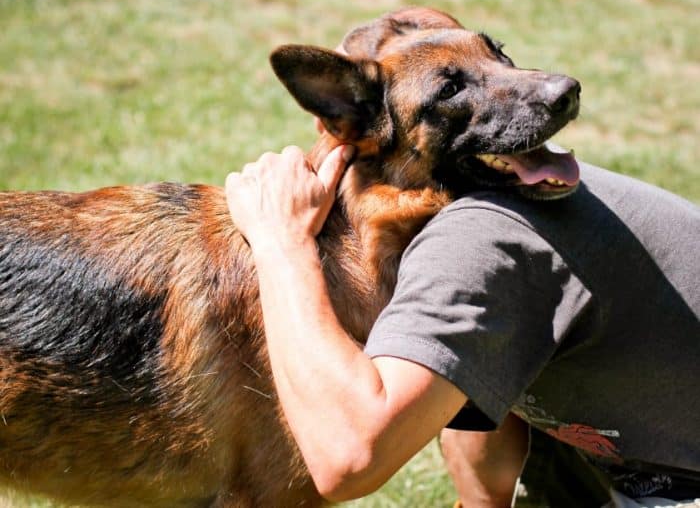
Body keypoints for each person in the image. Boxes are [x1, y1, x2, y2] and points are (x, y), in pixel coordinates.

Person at [224, 144, 700, 508]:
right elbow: (470, 391)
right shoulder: (492, 220)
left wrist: (282, 242)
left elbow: (348, 457)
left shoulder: (480, 243)